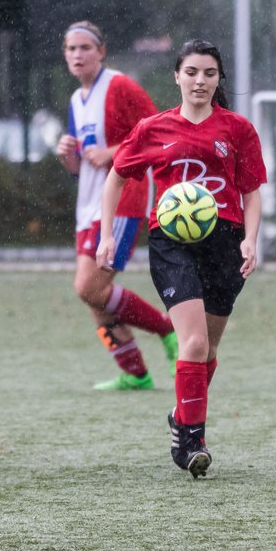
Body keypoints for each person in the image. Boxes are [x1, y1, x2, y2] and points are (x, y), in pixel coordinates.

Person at [98, 39, 266, 478]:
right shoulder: (154, 128)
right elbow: (116, 178)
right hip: (171, 242)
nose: (200, 81)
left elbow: (251, 191)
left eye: (209, 73)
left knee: (208, 349)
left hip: (225, 242)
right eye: (191, 72)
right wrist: (107, 237)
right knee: (192, 343)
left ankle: (181, 416)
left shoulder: (238, 129)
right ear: (177, 76)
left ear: (218, 79)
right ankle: (191, 441)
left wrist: (250, 240)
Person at [54, 21, 177, 391]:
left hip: (125, 199)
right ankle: (135, 372)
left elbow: (159, 130)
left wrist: (111, 151)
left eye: (85, 48)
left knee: (89, 287)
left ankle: (167, 329)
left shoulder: (119, 85)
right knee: (94, 297)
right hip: (88, 205)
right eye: (71, 49)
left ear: (101, 52)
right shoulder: (77, 100)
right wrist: (67, 157)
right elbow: (81, 166)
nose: (77, 55)